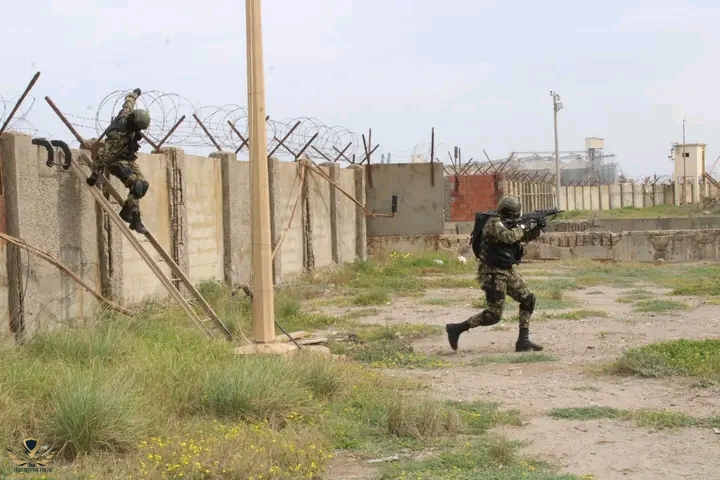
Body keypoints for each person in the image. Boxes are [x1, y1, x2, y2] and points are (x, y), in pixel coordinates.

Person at [445, 195, 544, 352]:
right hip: (492, 273)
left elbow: (523, 238)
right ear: (511, 213)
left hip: (506, 270)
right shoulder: (493, 223)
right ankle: (457, 329)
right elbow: (509, 237)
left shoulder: (510, 225)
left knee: (528, 299)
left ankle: (523, 341)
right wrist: (524, 226)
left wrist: (536, 227)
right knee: (494, 315)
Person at [87, 88, 151, 234]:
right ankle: (135, 218)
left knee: (143, 185)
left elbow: (128, 102)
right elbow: (103, 155)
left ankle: (127, 212)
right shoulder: (118, 135)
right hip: (115, 162)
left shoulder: (127, 114)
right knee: (136, 185)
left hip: (128, 160)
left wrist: (134, 94)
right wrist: (95, 174)